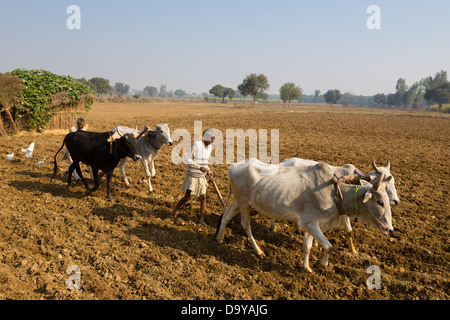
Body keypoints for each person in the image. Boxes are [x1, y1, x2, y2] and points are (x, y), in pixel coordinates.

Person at [173, 129, 215, 226]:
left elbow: (205, 161)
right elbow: (187, 159)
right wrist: (199, 167)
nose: (213, 141)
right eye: (211, 138)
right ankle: (176, 208)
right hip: (192, 175)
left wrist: (208, 170)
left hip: (202, 176)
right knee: (188, 197)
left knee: (203, 197)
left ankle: (201, 219)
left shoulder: (209, 147)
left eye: (214, 139)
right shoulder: (196, 145)